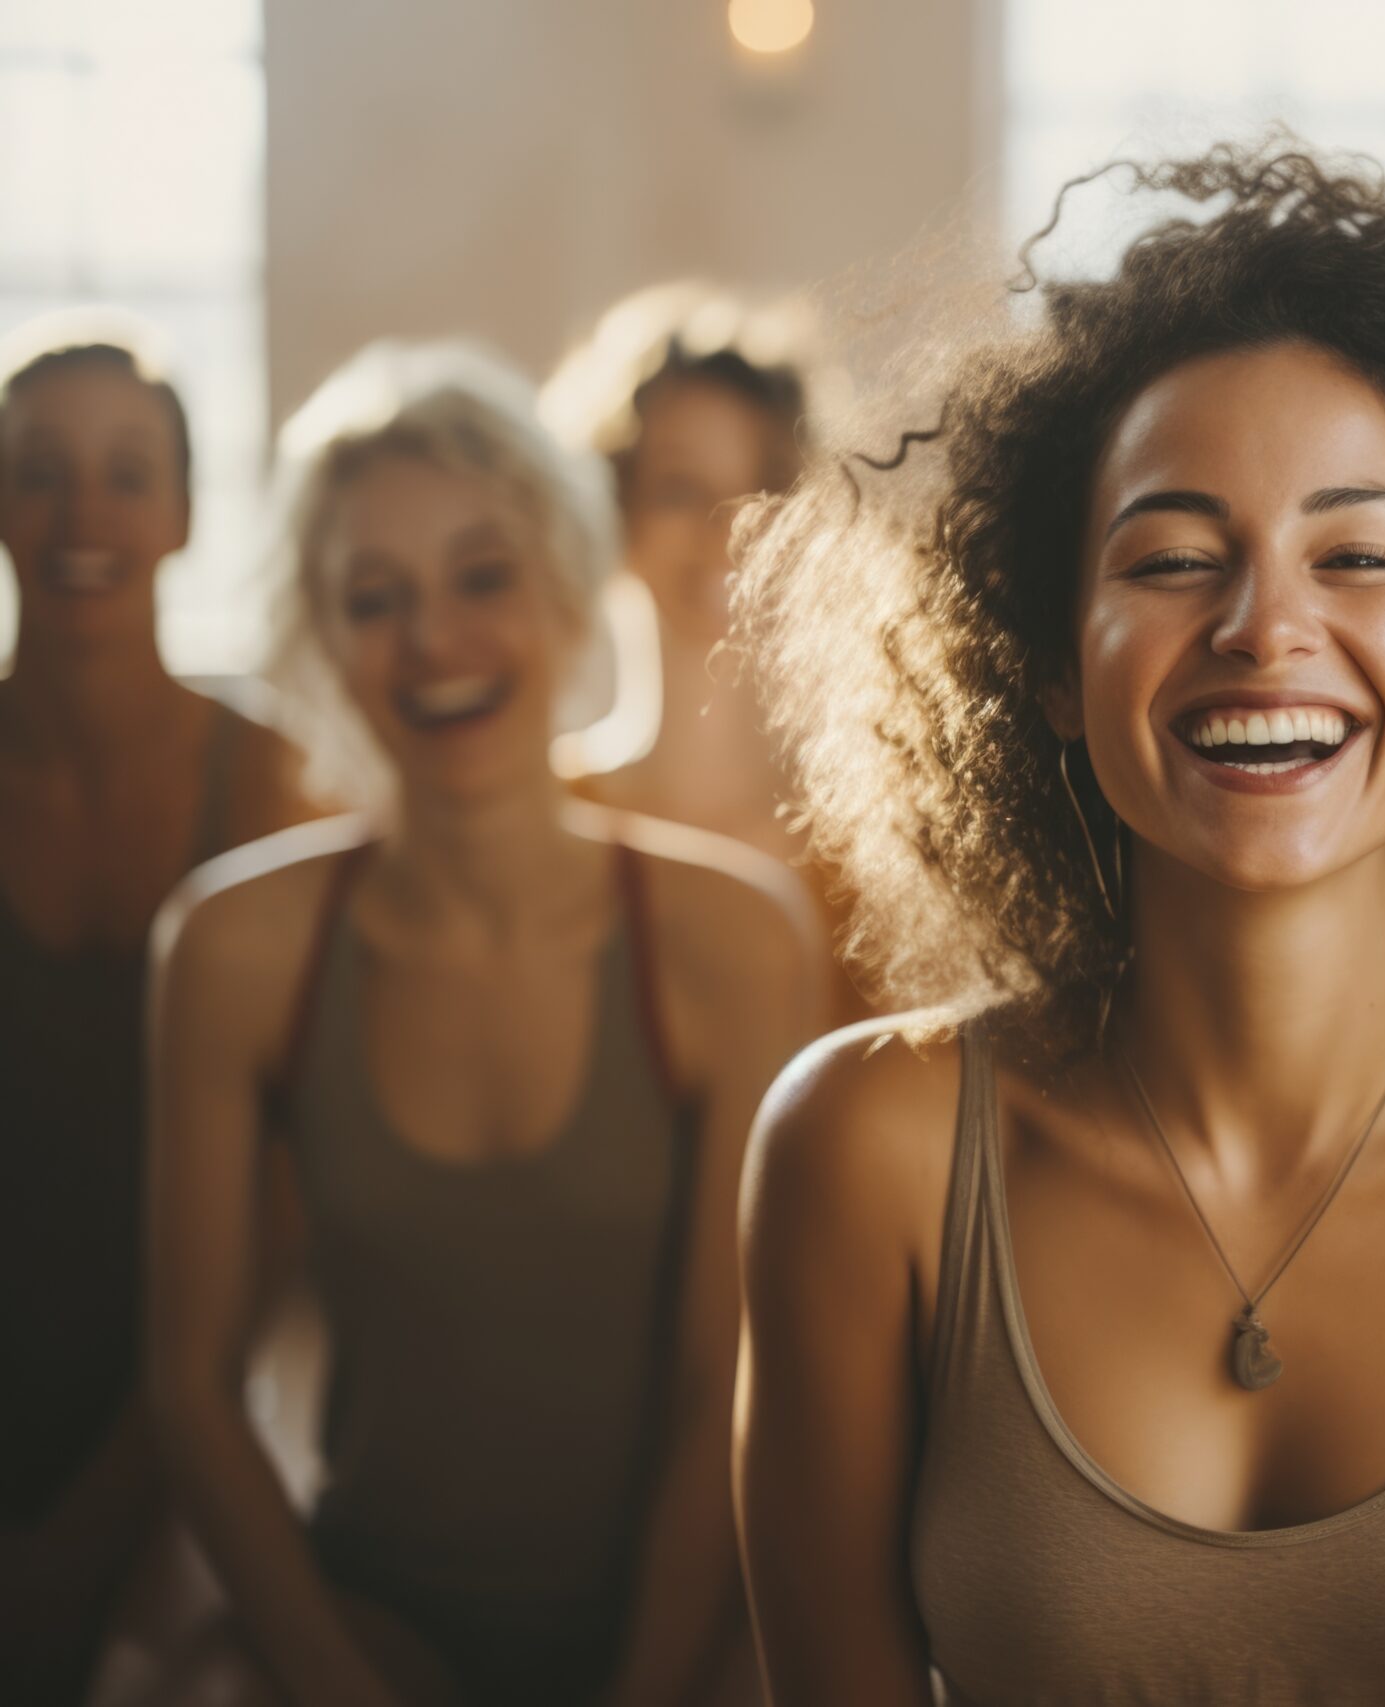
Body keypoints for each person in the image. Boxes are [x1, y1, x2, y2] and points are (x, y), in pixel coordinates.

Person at [727, 142, 1385, 1705]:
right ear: (1047, 667)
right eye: (1171, 559)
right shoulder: (863, 1146)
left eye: (1356, 555)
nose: (1265, 626)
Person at [146, 341, 820, 1707]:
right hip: (371, 1623)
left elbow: (725, 1387)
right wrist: (338, 1678)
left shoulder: (733, 935)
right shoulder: (231, 944)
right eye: (374, 597)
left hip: (682, 1633)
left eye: (482, 576)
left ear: (570, 583)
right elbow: (192, 1390)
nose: (435, 639)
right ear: (321, 636)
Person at [0, 314, 311, 1705]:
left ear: (184, 513)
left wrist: (108, 1514)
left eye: (127, 472)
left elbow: (288, 1186)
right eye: (38, 467)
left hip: (201, 1413)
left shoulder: (270, 782)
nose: (82, 510)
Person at [541, 286, 874, 1020]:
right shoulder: (539, 813)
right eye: (679, 488)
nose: (728, 529)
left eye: (764, 489)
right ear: (610, 508)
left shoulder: (873, 846)